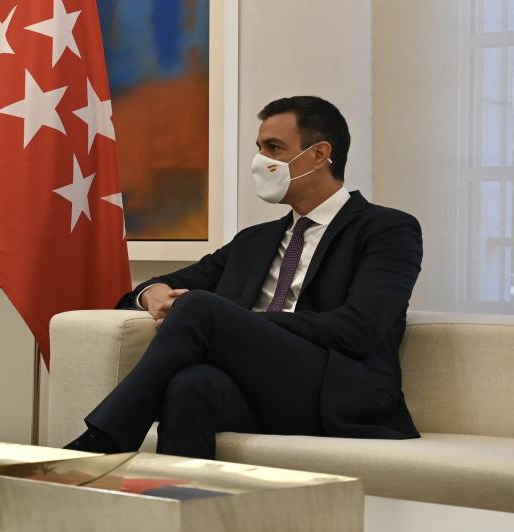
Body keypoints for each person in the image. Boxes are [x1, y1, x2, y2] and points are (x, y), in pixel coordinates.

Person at [65, 96, 423, 459]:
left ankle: (104, 442)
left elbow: (360, 329)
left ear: (319, 155)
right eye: (259, 148)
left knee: (201, 308)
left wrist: (245, 326)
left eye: (274, 148)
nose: (261, 160)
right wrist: (152, 291)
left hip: (338, 391)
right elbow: (157, 286)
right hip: (263, 392)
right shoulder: (255, 241)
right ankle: (181, 504)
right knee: (190, 385)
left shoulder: (387, 229)